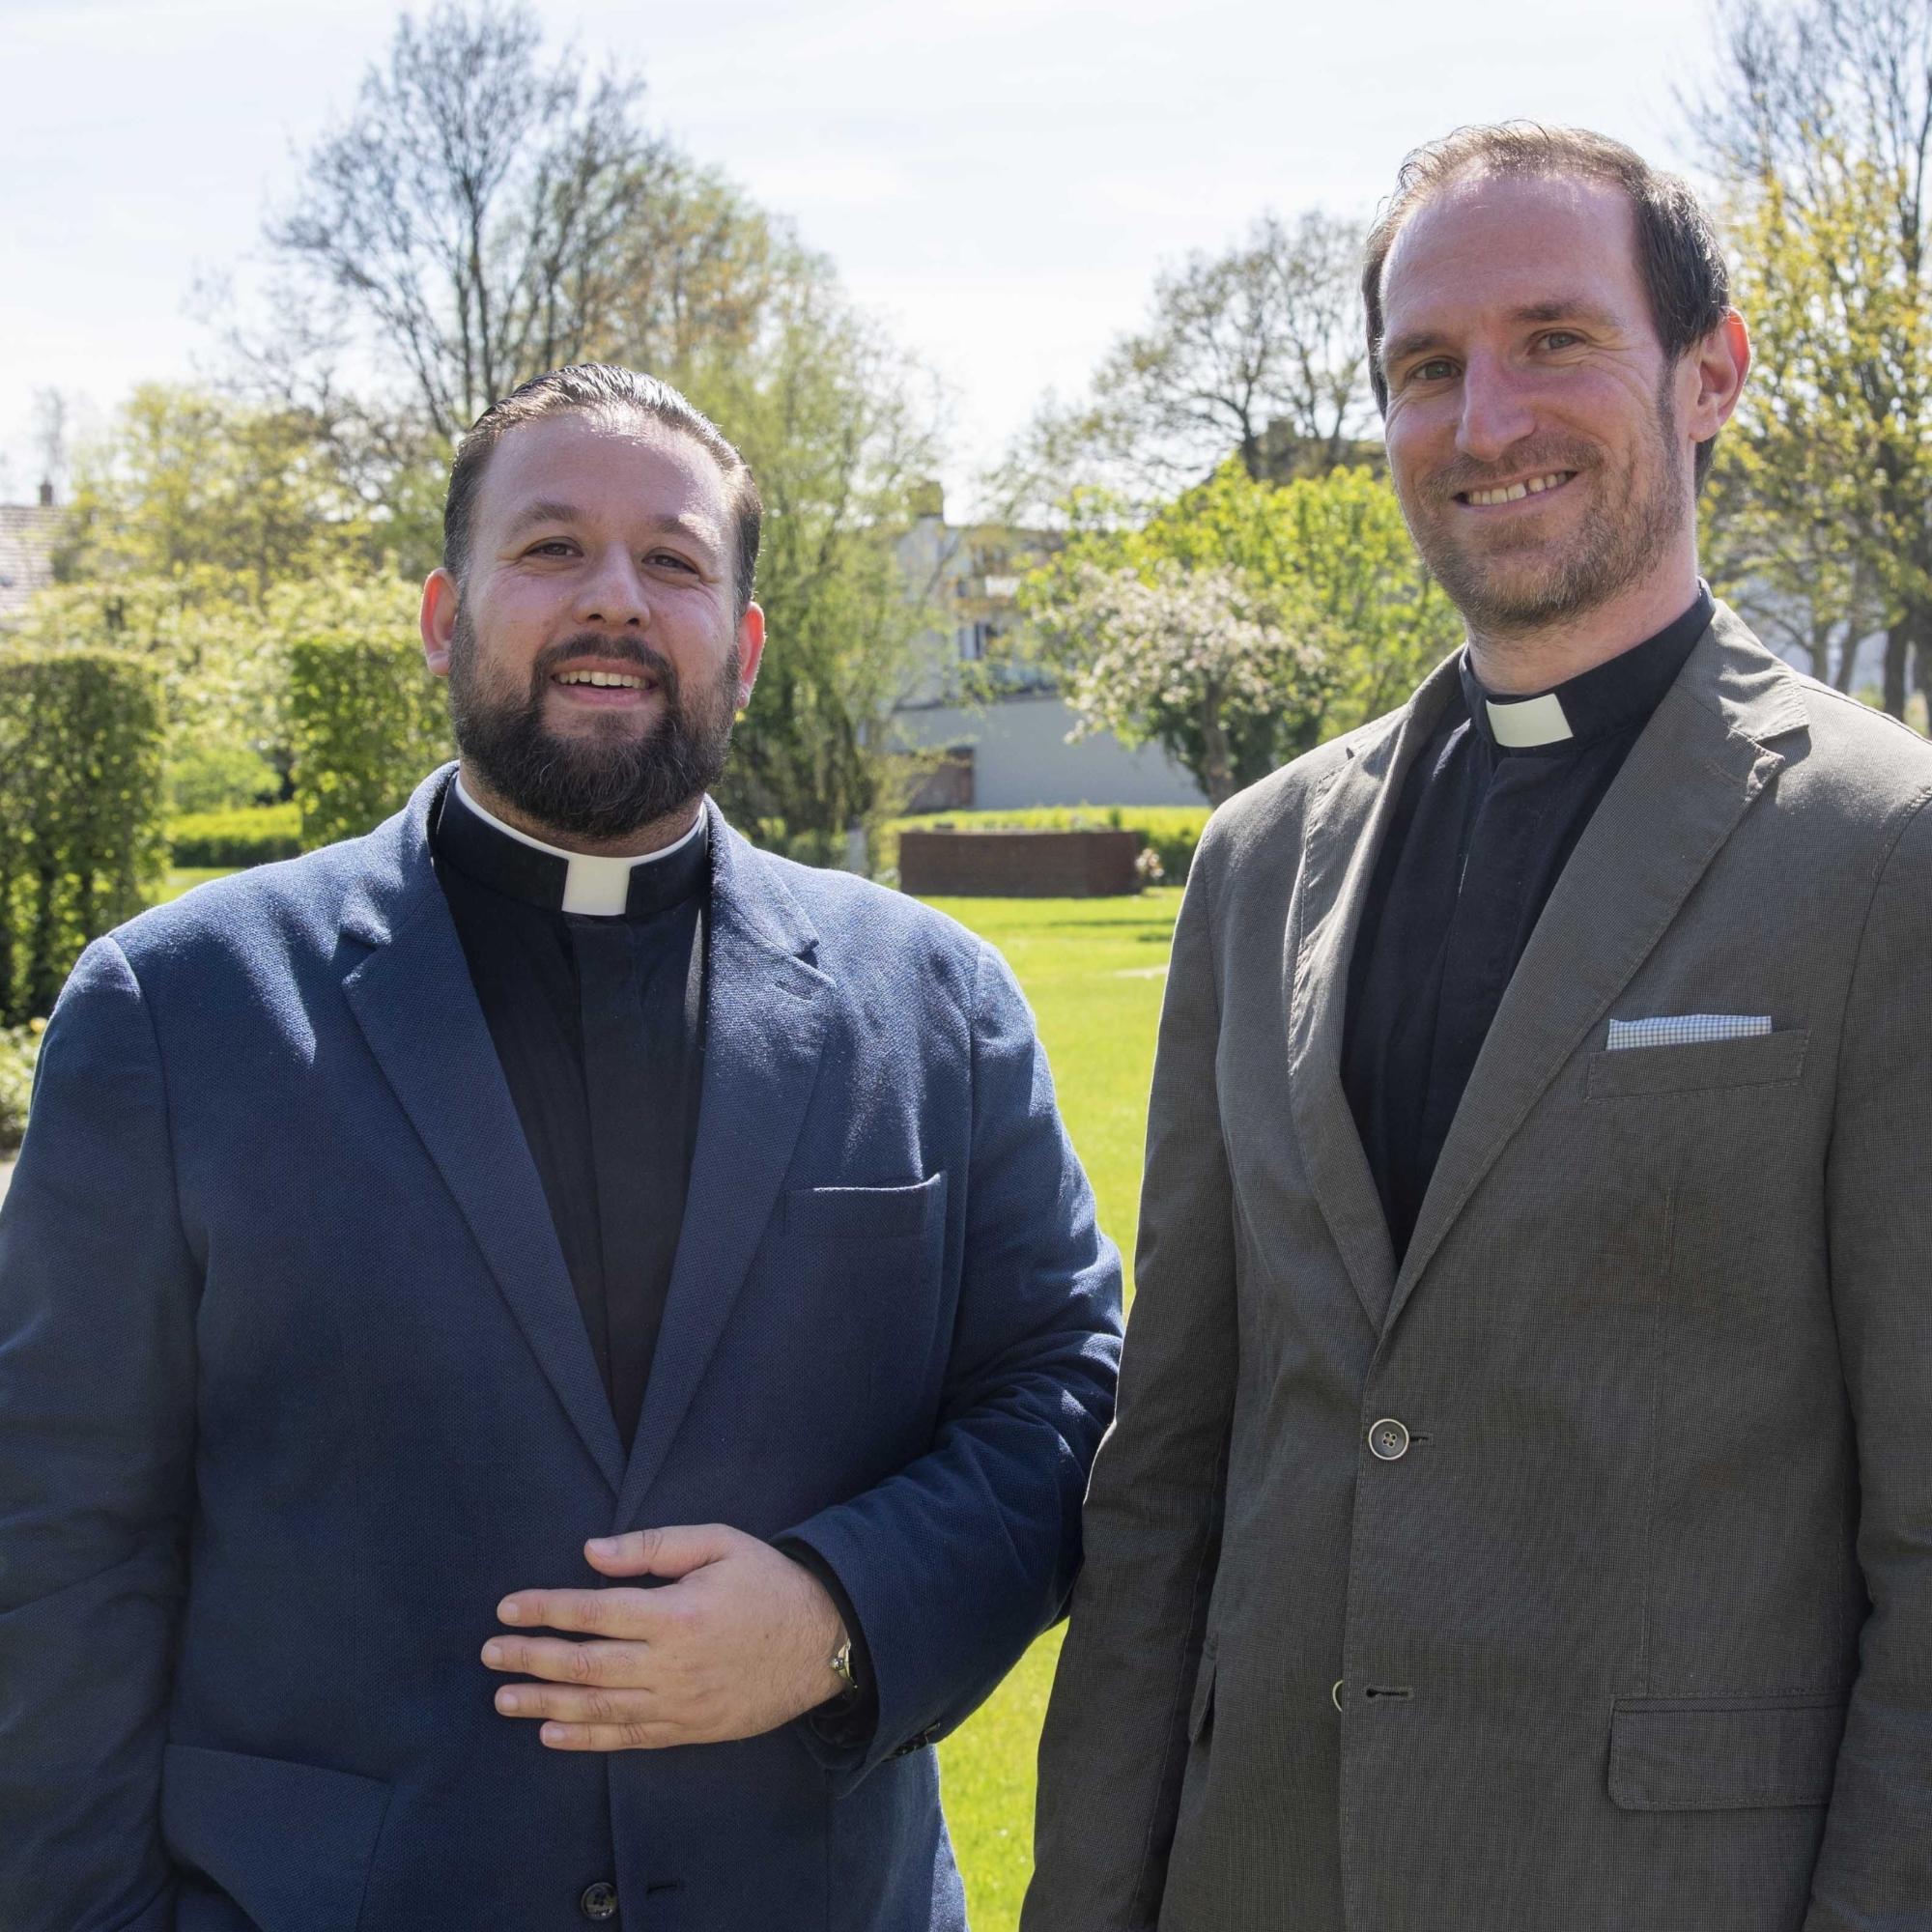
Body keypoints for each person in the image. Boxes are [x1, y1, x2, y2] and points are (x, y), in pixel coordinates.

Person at [0, 364, 1122, 1932]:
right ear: (442, 617)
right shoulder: (180, 1010)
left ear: (738, 645)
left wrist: (839, 1614)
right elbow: (57, 1544)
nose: (615, 601)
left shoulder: (932, 1003)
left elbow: (1070, 1388)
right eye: (549, 549)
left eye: (671, 562)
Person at [1026, 124, 1932, 1930]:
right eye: (1426, 368)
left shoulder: (1883, 854)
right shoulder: (1261, 859)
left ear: (1712, 373)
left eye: (1555, 340)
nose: (1485, 417)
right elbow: (1170, 1476)